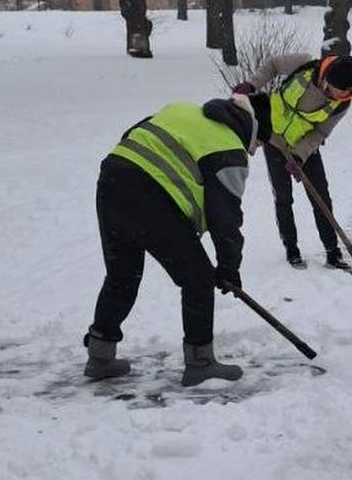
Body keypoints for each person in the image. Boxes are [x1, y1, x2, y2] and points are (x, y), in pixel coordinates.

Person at [83, 92, 272, 387]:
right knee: (198, 279)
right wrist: (228, 267)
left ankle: (100, 356)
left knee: (122, 275)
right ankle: (200, 363)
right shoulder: (229, 147)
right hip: (149, 196)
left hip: (111, 180)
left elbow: (133, 134)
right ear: (253, 129)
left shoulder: (183, 110)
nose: (255, 152)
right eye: (258, 144)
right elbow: (225, 218)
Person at [242, 52, 352, 269]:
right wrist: (251, 84)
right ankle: (291, 249)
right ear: (327, 79)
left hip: (304, 146)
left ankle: (332, 252)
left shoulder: (342, 103)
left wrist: (299, 155)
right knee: (283, 196)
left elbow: (320, 132)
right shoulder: (306, 65)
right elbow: (273, 64)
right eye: (339, 90)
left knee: (321, 197)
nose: (341, 95)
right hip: (274, 138)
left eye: (346, 92)